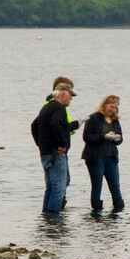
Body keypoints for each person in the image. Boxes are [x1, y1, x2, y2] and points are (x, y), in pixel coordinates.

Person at [31, 82, 78, 213]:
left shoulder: (46, 107)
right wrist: (62, 145)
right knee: (59, 187)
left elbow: (34, 125)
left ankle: (46, 217)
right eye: (70, 95)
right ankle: (54, 219)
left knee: (50, 187)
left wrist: (41, 144)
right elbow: (56, 125)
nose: (71, 98)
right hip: (56, 153)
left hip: (46, 152)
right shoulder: (59, 108)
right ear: (63, 94)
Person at [81, 94, 124, 212]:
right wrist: (104, 137)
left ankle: (118, 210)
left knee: (115, 186)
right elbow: (86, 137)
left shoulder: (115, 120)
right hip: (95, 157)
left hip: (111, 157)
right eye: (111, 107)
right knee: (97, 186)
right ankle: (96, 211)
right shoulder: (94, 118)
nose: (113, 110)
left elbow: (120, 139)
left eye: (116, 107)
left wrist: (116, 139)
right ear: (104, 105)